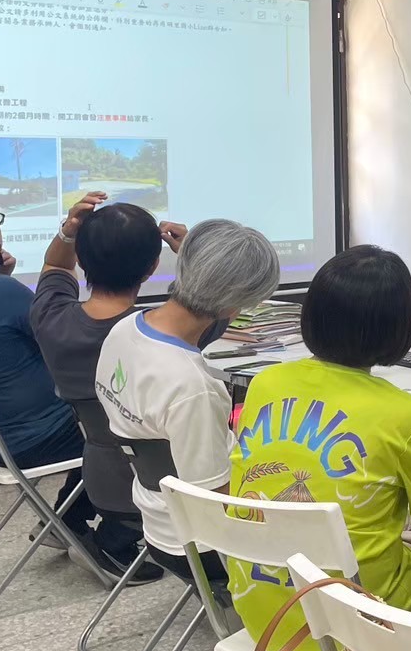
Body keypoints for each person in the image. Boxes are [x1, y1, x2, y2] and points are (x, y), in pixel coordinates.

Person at [229, 245, 411, 651]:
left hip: (264, 618)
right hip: (362, 624)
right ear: (398, 328)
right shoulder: (406, 414)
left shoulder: (264, 383)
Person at [96, 218, 280, 584]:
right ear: (236, 307)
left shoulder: (123, 329)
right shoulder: (193, 386)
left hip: (153, 516)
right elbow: (215, 498)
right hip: (200, 544)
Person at [30, 190, 185, 581]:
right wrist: (189, 254)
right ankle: (113, 543)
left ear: (81, 261)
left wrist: (68, 232)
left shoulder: (51, 317)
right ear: (152, 267)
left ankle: (81, 525)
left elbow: (54, 264)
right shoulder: (164, 334)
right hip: (162, 483)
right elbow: (218, 302)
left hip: (99, 473)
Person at [0, 186, 100, 557]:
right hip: (40, 440)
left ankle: (65, 521)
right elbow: (66, 338)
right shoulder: (0, 292)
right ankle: (113, 543)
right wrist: (0, 282)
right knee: (129, 426)